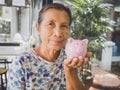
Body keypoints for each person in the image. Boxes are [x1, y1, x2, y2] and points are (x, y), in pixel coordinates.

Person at [7, 3, 92, 90]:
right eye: (50, 24)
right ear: (38, 28)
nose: (58, 34)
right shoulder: (21, 63)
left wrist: (71, 72)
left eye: (64, 26)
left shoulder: (70, 59)